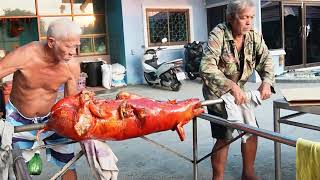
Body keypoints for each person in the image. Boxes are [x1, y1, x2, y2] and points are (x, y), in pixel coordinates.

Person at [200, 0, 275, 180]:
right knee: (225, 136)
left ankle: (248, 173)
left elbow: (267, 60)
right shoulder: (218, 34)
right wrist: (230, 85)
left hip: (239, 93)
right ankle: (217, 178)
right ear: (231, 18)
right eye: (243, 18)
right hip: (217, 93)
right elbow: (206, 67)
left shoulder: (254, 36)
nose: (248, 22)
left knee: (251, 131)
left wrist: (267, 81)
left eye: (251, 17)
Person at [0, 18, 81, 180]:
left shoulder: (71, 65)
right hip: (18, 120)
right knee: (14, 167)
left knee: (68, 163)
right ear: (51, 42)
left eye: (76, 46)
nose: (73, 52)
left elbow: (70, 102)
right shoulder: (25, 55)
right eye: (68, 46)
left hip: (51, 118)